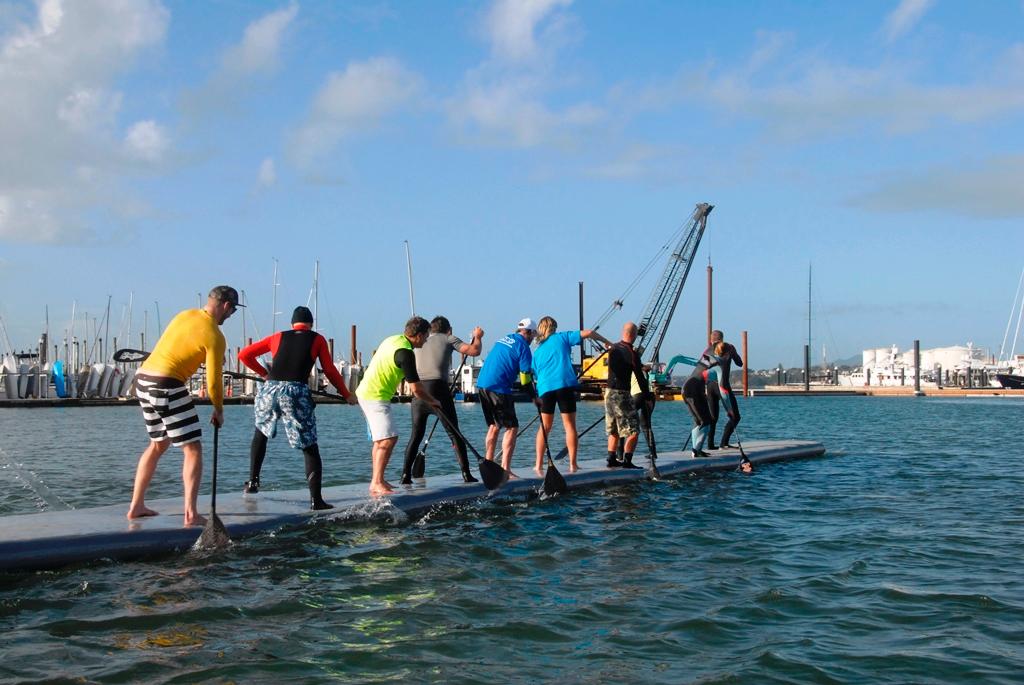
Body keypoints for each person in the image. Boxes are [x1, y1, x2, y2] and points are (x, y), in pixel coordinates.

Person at [127, 285, 241, 526]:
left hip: (142, 379)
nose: (230, 318)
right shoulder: (215, 336)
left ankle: (136, 506)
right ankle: (191, 513)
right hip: (166, 385)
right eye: (232, 313)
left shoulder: (184, 315)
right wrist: (219, 409)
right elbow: (213, 382)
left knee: (158, 444)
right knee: (193, 449)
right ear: (226, 306)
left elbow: (179, 348)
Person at [237, 306, 358, 509]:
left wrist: (264, 374)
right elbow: (329, 370)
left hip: (269, 390)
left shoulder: (277, 337)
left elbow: (244, 355)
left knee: (260, 435)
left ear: (292, 324)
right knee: (309, 446)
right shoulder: (317, 339)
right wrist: (346, 394)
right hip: (295, 391)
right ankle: (316, 501)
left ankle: (253, 483)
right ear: (310, 324)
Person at [355, 316, 440, 497]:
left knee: (381, 439)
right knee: (388, 439)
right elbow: (416, 389)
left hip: (367, 392)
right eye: (426, 337)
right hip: (375, 396)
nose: (425, 341)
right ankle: (376, 482)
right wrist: (434, 401)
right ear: (419, 335)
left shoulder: (393, 339)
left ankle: (377, 480)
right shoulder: (406, 353)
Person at [401, 317, 484, 485]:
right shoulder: (448, 338)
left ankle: (405, 476)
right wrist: (478, 336)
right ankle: (467, 474)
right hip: (438, 391)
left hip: (419, 393)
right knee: (455, 434)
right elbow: (474, 351)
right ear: (449, 329)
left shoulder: (418, 342)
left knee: (415, 436)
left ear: (430, 330)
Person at [531, 316, 611, 475]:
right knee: (569, 426)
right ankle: (573, 465)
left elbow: (534, 372)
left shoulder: (538, 351)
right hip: (564, 385)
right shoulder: (562, 337)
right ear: (554, 327)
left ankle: (538, 465)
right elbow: (588, 333)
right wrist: (606, 342)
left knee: (545, 427)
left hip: (545, 388)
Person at [476, 318, 536, 476]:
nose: (533, 339)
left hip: (482, 385)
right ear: (529, 333)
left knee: (494, 425)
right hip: (499, 388)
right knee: (512, 427)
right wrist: (534, 397)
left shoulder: (504, 338)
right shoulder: (523, 347)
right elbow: (525, 379)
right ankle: (505, 469)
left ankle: (489, 464)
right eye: (533, 335)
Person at [605, 322, 654, 469]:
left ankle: (611, 458)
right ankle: (627, 461)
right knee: (633, 430)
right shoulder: (631, 353)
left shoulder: (613, 348)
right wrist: (647, 396)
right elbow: (639, 377)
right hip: (622, 393)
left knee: (613, 429)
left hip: (608, 393)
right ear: (634, 335)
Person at [701, 330, 744, 449]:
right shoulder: (729, 347)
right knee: (735, 416)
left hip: (709, 386)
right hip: (722, 385)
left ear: (711, 340)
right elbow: (740, 363)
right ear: (722, 339)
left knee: (712, 417)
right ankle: (724, 443)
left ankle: (710, 445)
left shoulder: (707, 351)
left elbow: (701, 368)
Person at [682, 356, 716, 459]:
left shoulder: (703, 361)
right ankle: (696, 450)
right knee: (706, 421)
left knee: (698, 421)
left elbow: (700, 378)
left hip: (686, 390)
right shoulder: (714, 364)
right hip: (692, 392)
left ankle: (697, 449)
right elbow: (707, 377)